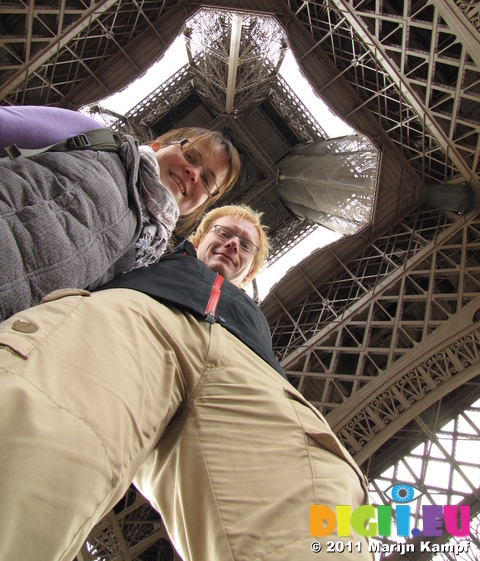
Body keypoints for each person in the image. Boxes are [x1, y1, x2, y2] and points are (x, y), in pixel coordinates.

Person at [0, 205, 372, 561]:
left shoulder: (252, 314)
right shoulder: (148, 251)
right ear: (197, 239)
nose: (232, 244)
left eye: (245, 245)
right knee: (42, 437)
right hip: (143, 310)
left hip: (248, 363)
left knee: (318, 520)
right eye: (223, 233)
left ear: (249, 273)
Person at [0, 106, 240, 321]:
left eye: (207, 180)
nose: (194, 173)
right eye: (190, 156)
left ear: (198, 206)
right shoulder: (93, 137)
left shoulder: (146, 260)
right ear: (157, 145)